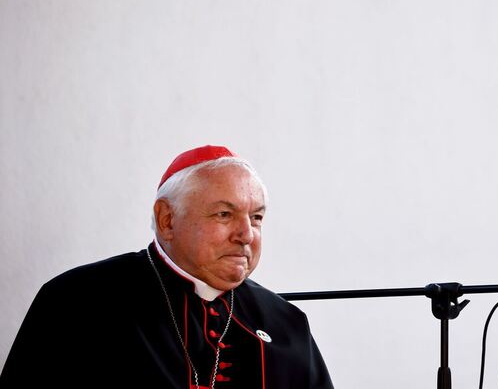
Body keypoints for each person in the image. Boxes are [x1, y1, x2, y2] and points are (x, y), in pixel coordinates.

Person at [0, 145, 334, 388]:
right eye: (224, 214)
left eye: (256, 217)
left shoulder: (286, 323)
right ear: (167, 220)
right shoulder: (78, 301)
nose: (246, 234)